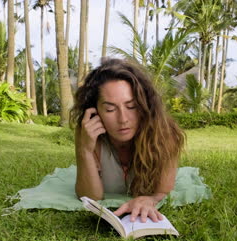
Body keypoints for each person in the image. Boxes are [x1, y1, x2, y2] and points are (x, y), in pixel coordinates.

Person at [70, 58, 185, 223]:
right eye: (110, 109)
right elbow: (90, 197)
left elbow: (163, 191)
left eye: (131, 107)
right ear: (95, 110)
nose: (123, 119)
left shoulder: (165, 133)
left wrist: (150, 199)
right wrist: (85, 151)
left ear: (144, 105)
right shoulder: (89, 131)